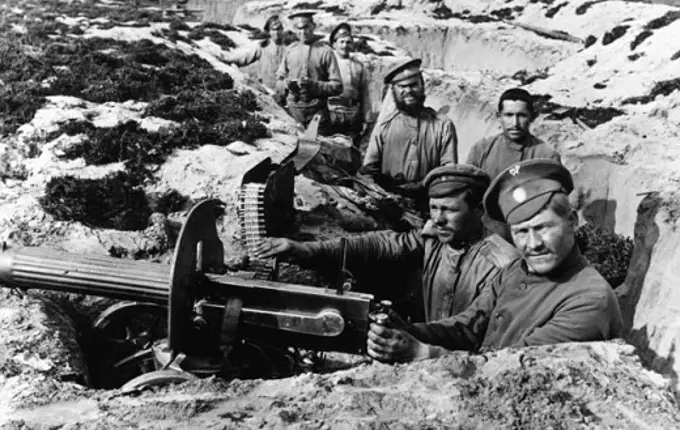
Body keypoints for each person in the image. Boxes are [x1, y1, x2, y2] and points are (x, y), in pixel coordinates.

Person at [366, 159, 623, 363]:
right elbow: (467, 326)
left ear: (572, 222)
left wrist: (421, 354)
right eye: (521, 232)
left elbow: (513, 369)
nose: (533, 244)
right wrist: (409, 331)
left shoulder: (589, 300)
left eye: (543, 228)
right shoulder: (515, 270)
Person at [253, 164, 520, 324]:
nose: (438, 219)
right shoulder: (436, 239)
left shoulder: (501, 263)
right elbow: (378, 244)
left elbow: (479, 328)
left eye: (449, 210)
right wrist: (303, 249)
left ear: (477, 210)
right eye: (433, 208)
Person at [361, 58, 458, 198]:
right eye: (402, 87)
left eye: (413, 85)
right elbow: (369, 169)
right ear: (393, 90)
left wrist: (423, 185)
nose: (408, 91)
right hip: (389, 200)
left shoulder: (443, 126)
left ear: (422, 86)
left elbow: (448, 172)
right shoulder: (384, 126)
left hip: (429, 200)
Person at [466, 88, 561, 182]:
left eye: (522, 115)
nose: (515, 123)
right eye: (509, 115)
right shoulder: (480, 150)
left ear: (531, 117)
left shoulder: (547, 156)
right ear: (499, 117)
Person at [275, 11, 342, 135]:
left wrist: (313, 85)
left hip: (317, 114)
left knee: (320, 150)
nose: (303, 32)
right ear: (294, 29)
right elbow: (279, 81)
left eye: (306, 27)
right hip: (293, 114)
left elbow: (337, 86)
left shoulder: (325, 52)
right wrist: (285, 84)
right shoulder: (290, 51)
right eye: (299, 28)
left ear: (313, 26)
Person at [227, 15, 295, 105]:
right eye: (273, 30)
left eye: (279, 29)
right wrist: (226, 61)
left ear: (283, 30)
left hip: (288, 94)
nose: (277, 32)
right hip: (269, 94)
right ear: (268, 31)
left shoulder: (290, 48)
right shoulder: (262, 47)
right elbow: (242, 59)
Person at [326, 22, 373, 147]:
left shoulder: (358, 66)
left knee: (352, 151)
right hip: (330, 112)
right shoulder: (326, 63)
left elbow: (365, 94)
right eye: (341, 42)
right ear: (334, 44)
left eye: (348, 42)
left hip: (352, 114)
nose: (345, 46)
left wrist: (368, 119)